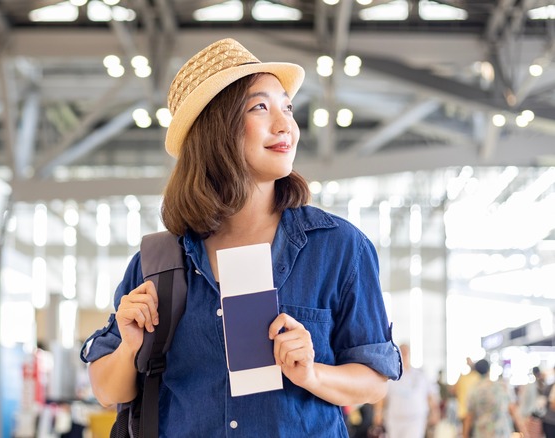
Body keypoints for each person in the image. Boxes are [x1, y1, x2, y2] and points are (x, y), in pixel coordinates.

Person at [79, 38, 402, 436]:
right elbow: (106, 390)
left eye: (287, 107)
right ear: (216, 129)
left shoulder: (339, 248)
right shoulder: (157, 263)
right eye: (260, 107)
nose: (285, 124)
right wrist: (130, 347)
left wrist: (311, 374)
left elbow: (374, 379)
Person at [372, 343, 438, 438]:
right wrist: (378, 413)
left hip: (415, 419)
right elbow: (382, 396)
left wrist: (435, 412)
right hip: (395, 419)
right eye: (402, 352)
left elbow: (430, 395)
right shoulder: (391, 376)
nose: (404, 355)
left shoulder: (421, 375)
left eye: (406, 353)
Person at [463, 359, 528, 438]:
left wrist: (465, 435)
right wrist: (525, 433)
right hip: (502, 433)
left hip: (482, 433)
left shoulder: (473, 391)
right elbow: (513, 411)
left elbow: (469, 417)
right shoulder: (501, 387)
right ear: (489, 370)